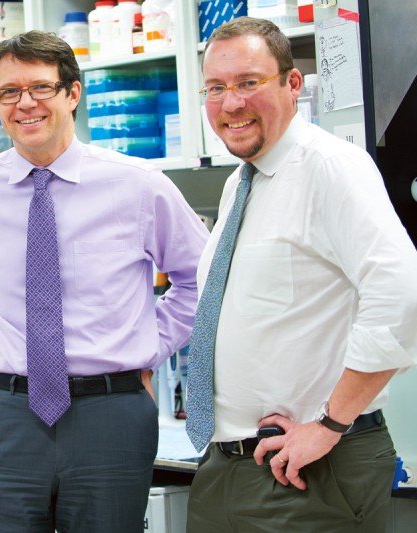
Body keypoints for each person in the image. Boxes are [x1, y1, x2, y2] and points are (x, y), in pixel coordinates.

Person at [0, 31, 208, 532]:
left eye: (41, 87)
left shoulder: (139, 184)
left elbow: (199, 278)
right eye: (9, 92)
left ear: (73, 94)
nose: (25, 103)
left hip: (111, 415)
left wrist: (152, 345)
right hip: (7, 413)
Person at [185, 17, 417, 531]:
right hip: (230, 466)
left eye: (249, 83)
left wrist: (330, 424)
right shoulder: (240, 185)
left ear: (293, 85)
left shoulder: (331, 167)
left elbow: (402, 297)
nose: (231, 103)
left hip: (311, 471)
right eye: (216, 88)